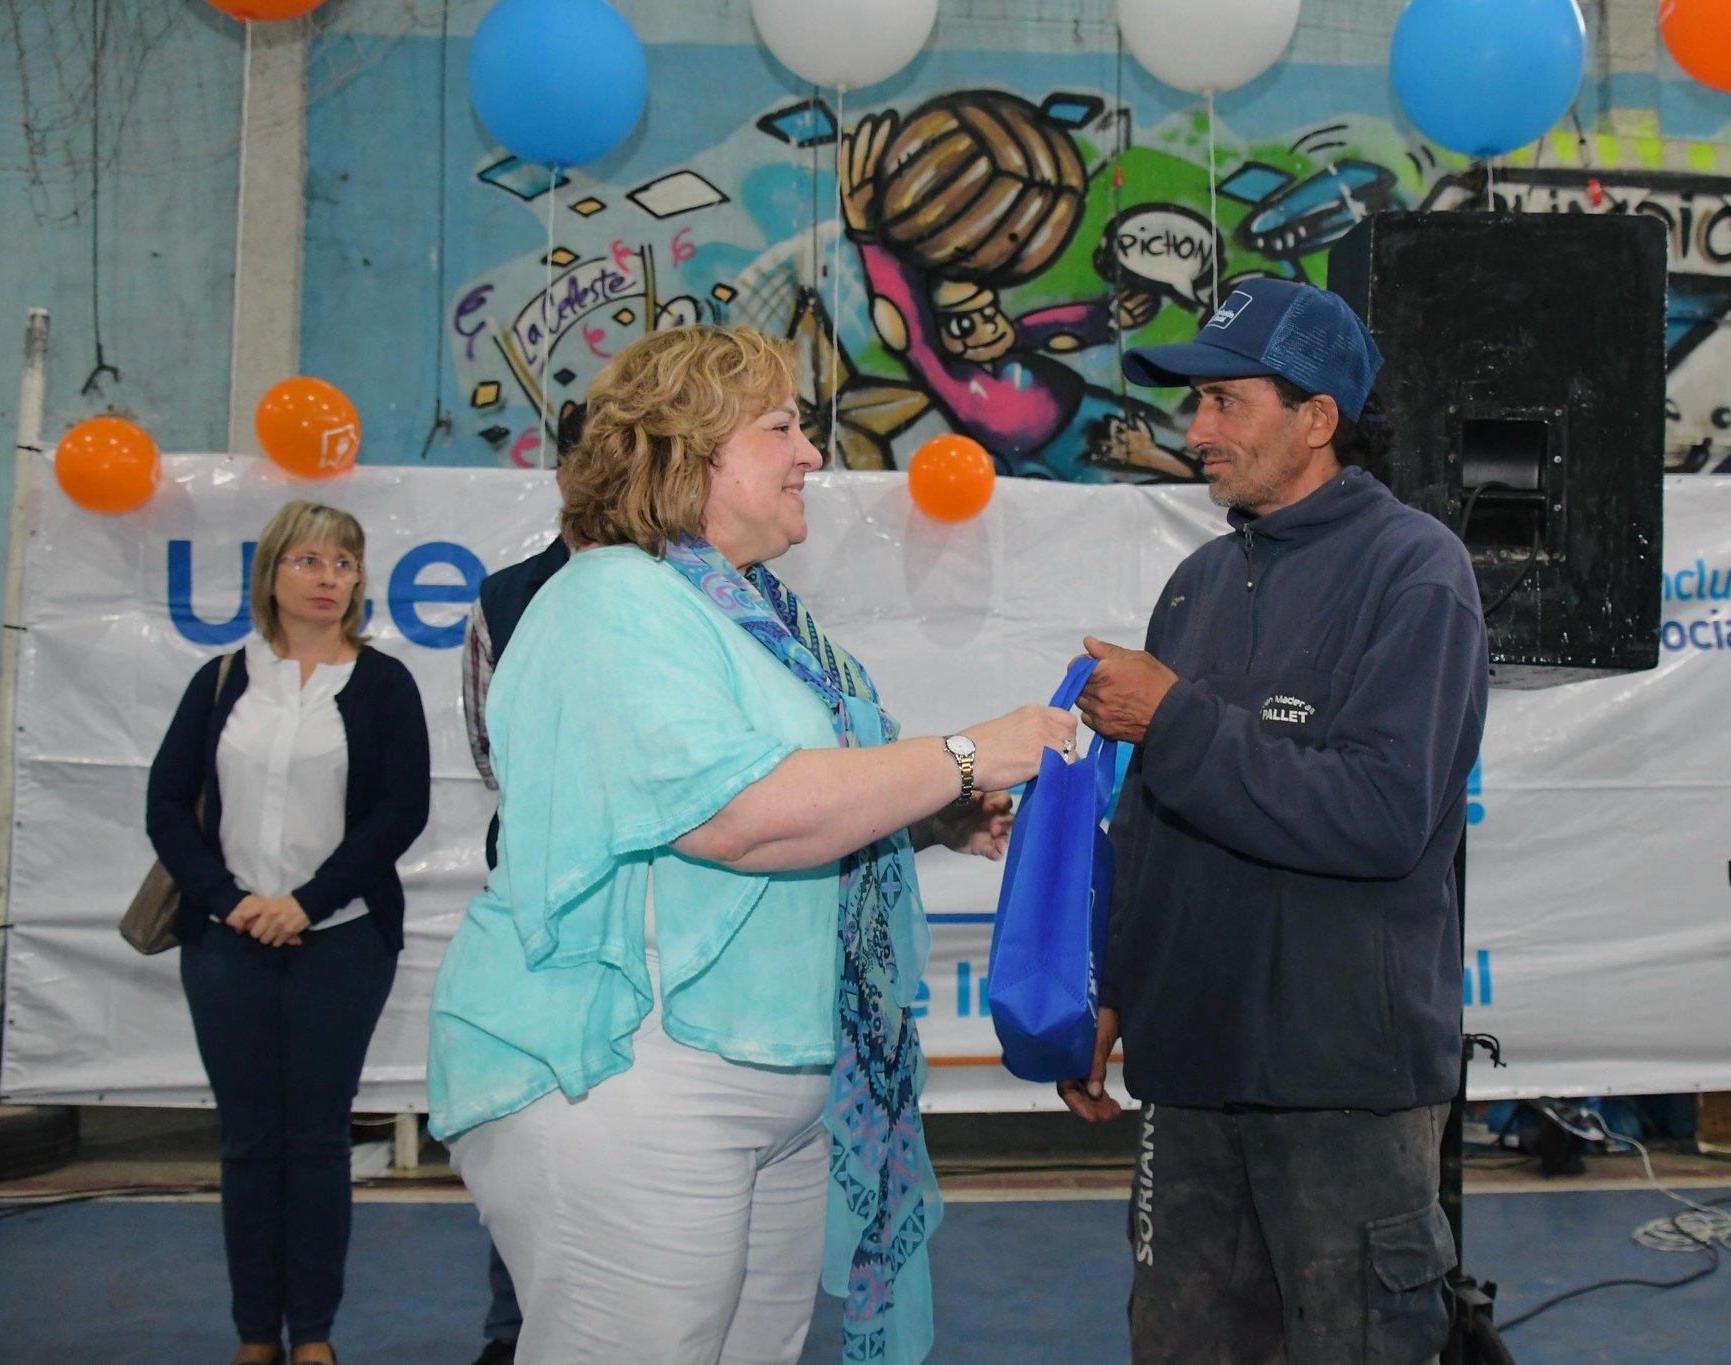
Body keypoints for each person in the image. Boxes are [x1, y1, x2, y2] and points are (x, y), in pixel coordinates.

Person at [427, 325, 1074, 1365]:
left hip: (761, 1076)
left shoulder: (742, 612)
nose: (812, 454)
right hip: (631, 1071)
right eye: (780, 427)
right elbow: (735, 814)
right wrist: (966, 754)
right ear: (683, 451)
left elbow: (767, 795)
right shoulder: (610, 601)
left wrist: (932, 813)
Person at [1060, 277, 1489, 1362]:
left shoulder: (1414, 571)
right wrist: (1113, 992)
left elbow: (1381, 815)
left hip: (1339, 1083)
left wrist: (1177, 718)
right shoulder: (1197, 583)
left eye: (1224, 402)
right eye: (1190, 402)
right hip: (1190, 1076)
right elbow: (1150, 824)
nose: (1194, 430)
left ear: (1315, 419)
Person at [146, 499, 432, 1365]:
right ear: (270, 573)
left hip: (341, 940)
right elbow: (166, 804)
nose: (328, 578)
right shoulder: (223, 679)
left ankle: (312, 1334)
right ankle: (251, 1334)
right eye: (309, 560)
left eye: (343, 563)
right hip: (226, 941)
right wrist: (229, 900)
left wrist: (306, 901)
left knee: (315, 1136)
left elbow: (399, 813)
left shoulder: (384, 685)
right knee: (248, 1138)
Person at [458, 401, 587, 1365]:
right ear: (563, 471)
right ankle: (515, 1328)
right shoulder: (506, 595)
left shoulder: (702, 587)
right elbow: (489, 751)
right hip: (539, 902)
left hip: (660, 913)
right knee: (527, 1123)